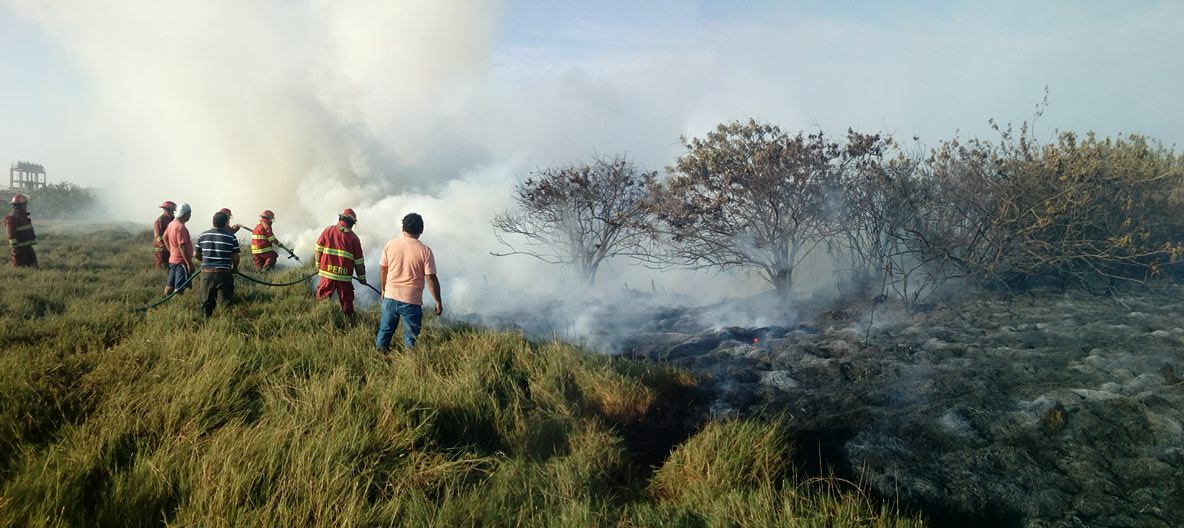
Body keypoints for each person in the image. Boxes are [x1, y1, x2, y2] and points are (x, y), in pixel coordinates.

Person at [375, 213, 442, 350]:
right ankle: (411, 364)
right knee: (411, 337)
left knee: (385, 331)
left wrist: (383, 289)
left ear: (402, 228)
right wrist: (438, 301)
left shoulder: (390, 245)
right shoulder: (425, 251)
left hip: (390, 297)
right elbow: (430, 277)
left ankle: (379, 356)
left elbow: (383, 269)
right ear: (421, 230)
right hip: (412, 301)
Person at [314, 208, 366, 315]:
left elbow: (318, 249)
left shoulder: (328, 230)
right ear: (352, 223)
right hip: (344, 277)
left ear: (341, 218)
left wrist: (318, 265)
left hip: (327, 274)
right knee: (347, 301)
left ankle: (321, 318)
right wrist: (362, 278)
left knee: (322, 299)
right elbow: (359, 262)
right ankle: (349, 322)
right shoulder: (354, 238)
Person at [195, 211, 240, 317]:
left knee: (206, 304)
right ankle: (226, 324)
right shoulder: (231, 237)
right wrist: (235, 268)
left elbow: (195, 254)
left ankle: (207, 325)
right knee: (226, 303)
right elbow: (235, 257)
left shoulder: (203, 235)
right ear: (226, 223)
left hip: (207, 275)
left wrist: (206, 262)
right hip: (224, 274)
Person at [162, 203, 194, 296]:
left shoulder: (172, 224)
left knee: (169, 286)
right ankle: (176, 307)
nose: (190, 216)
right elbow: (182, 246)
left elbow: (164, 237)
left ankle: (165, 304)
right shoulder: (181, 227)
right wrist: (189, 263)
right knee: (179, 289)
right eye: (190, 213)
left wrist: (171, 250)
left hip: (173, 261)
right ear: (185, 214)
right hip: (181, 262)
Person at [5, 193, 37, 268]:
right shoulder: (13, 216)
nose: (26, 206)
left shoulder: (22, 216)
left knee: (33, 265)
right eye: (25, 204)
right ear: (20, 205)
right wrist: (15, 246)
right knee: (20, 266)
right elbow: (11, 232)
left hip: (27, 245)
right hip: (19, 247)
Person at [153, 201, 177, 269]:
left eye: (173, 211)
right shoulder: (160, 220)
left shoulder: (173, 220)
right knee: (162, 265)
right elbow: (158, 235)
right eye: (170, 210)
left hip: (171, 248)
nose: (172, 212)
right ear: (165, 209)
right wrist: (163, 246)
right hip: (162, 249)